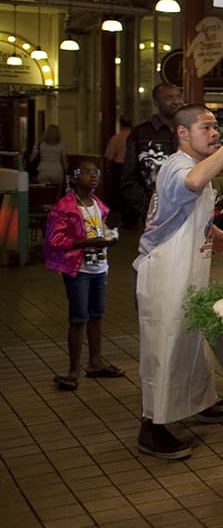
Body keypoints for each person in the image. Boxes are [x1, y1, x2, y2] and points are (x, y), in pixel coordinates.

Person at [134, 105, 223, 460]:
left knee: (191, 340)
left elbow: (185, 208)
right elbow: (192, 184)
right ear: (182, 133)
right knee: (166, 345)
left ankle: (195, 403)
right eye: (206, 127)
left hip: (190, 268)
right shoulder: (179, 165)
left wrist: (213, 229)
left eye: (217, 128)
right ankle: (153, 425)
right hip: (165, 271)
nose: (214, 133)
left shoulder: (197, 166)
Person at [43, 160, 122, 391]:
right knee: (78, 318)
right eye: (86, 172)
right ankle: (73, 370)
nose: (93, 176)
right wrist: (86, 242)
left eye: (95, 172)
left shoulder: (98, 204)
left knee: (97, 315)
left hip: (99, 268)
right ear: (74, 178)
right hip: (78, 270)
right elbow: (54, 241)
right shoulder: (65, 207)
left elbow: (101, 228)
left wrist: (109, 237)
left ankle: (95, 362)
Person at [121, 83, 183, 226]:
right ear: (156, 103)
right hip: (155, 215)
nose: (176, 101)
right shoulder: (141, 134)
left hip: (188, 209)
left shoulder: (190, 130)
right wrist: (148, 209)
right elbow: (129, 179)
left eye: (179, 96)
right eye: (169, 98)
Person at [103, 116, 131, 221]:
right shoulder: (134, 138)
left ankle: (119, 212)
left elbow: (109, 156)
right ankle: (131, 215)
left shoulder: (116, 138)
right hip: (132, 166)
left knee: (120, 190)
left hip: (119, 166)